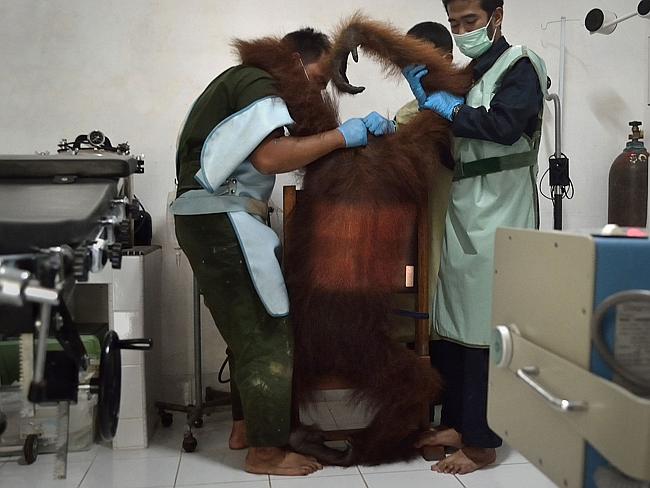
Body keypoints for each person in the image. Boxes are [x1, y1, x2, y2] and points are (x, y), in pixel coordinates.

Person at [171, 27, 376, 476]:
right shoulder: (259, 82)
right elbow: (269, 157)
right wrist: (346, 137)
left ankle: (247, 429)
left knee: (246, 335)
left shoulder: (237, 82)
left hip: (209, 217)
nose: (317, 91)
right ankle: (264, 454)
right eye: (318, 79)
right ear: (296, 62)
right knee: (269, 332)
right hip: (222, 217)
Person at [402, 0, 549, 475]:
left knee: (485, 326)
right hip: (468, 207)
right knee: (455, 323)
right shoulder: (474, 72)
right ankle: (459, 424)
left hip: (501, 210)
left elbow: (505, 129)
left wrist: (452, 107)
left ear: (497, 16)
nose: (462, 30)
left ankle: (483, 443)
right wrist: (432, 111)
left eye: (470, 21)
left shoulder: (519, 65)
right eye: (455, 23)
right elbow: (460, 149)